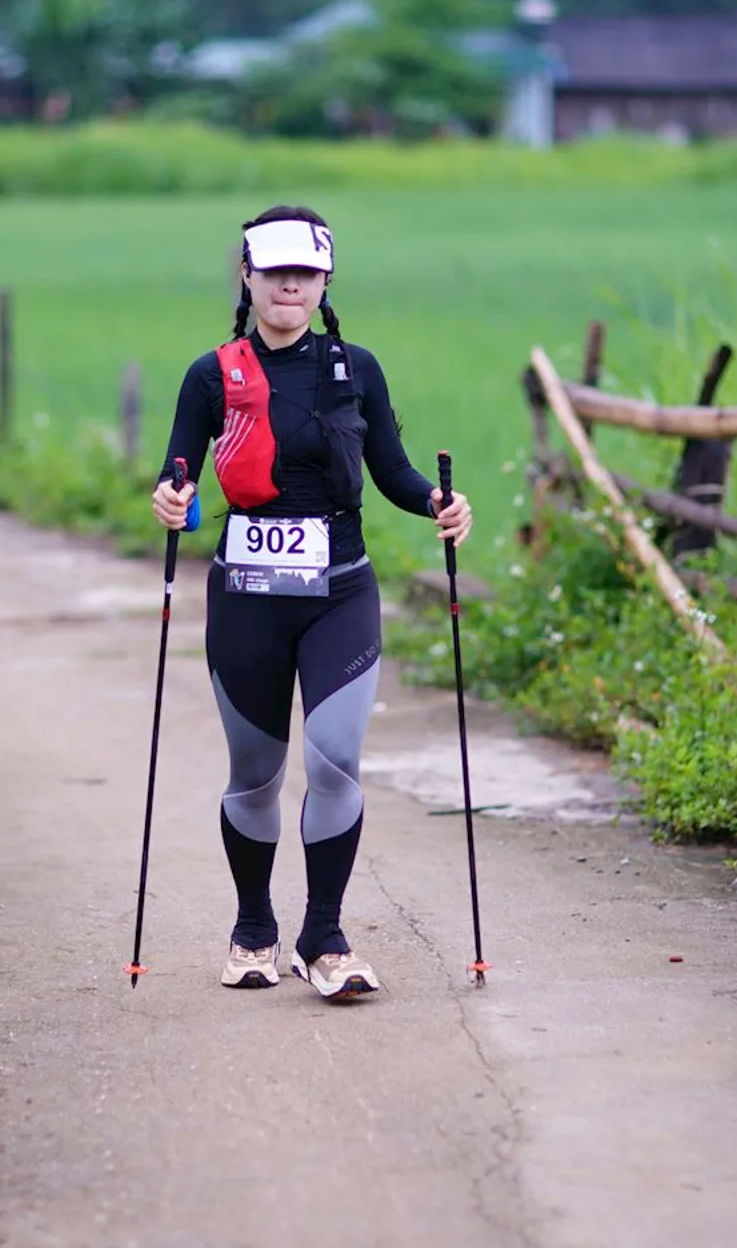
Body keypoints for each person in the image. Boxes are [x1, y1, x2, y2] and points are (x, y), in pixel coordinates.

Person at [151, 205, 473, 999]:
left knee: (335, 760)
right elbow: (179, 477)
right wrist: (171, 501)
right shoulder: (212, 374)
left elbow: (392, 472)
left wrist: (438, 502)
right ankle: (253, 930)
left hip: (340, 592)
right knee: (256, 775)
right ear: (248, 278)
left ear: (324, 280)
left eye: (305, 273)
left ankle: (323, 938)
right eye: (274, 272)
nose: (289, 285)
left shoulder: (355, 367)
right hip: (247, 596)